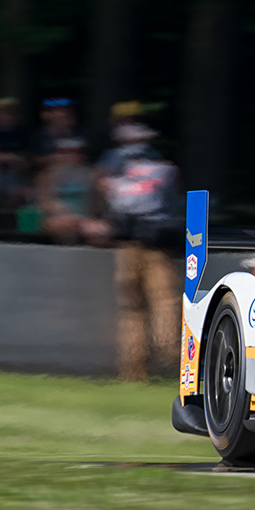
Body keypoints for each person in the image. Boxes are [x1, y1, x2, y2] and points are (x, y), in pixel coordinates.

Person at [94, 120, 182, 381]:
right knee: (165, 301)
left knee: (131, 307)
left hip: (127, 242)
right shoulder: (165, 168)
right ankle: (170, 358)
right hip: (157, 243)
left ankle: (133, 368)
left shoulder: (112, 169)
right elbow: (172, 202)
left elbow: (107, 198)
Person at [36, 137, 100, 244]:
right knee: (66, 227)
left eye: (77, 151)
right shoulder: (47, 175)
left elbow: (97, 200)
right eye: (67, 151)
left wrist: (91, 216)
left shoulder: (91, 174)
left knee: (99, 231)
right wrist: (61, 211)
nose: (72, 155)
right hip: (56, 217)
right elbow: (43, 202)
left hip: (85, 217)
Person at [30, 97, 78, 170]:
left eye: (64, 110)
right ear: (44, 115)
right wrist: (54, 158)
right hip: (50, 171)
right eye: (56, 110)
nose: (62, 114)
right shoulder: (39, 136)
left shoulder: (79, 133)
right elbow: (33, 160)